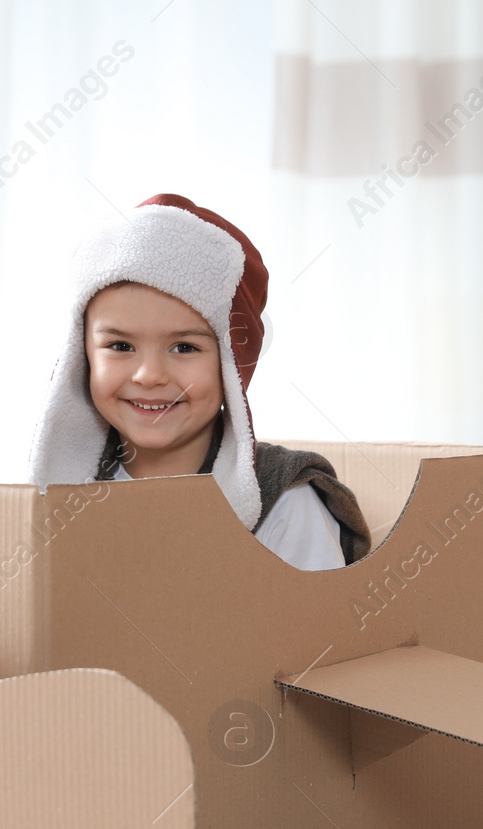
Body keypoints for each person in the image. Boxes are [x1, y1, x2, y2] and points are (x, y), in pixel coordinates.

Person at [28, 193, 370, 570]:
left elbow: (320, 624)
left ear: (232, 365)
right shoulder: (64, 495)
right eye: (121, 345)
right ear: (83, 357)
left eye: (184, 347)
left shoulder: (282, 500)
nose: (149, 376)